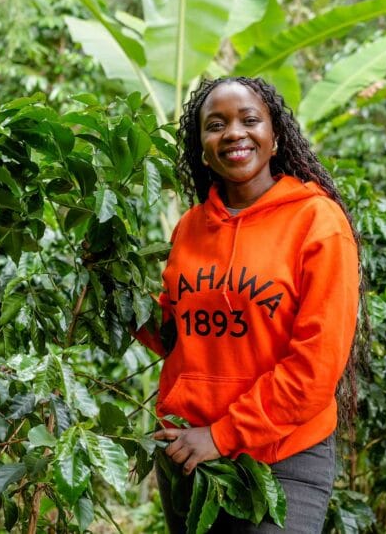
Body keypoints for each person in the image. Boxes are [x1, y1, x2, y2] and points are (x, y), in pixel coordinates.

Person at [134, 76, 362, 533]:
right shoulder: (191, 227)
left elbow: (316, 367)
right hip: (188, 451)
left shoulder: (317, 221)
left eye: (249, 120)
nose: (234, 132)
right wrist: (115, 286)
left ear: (275, 137)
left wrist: (222, 435)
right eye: (216, 124)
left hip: (282, 455)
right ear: (202, 146)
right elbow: (178, 335)